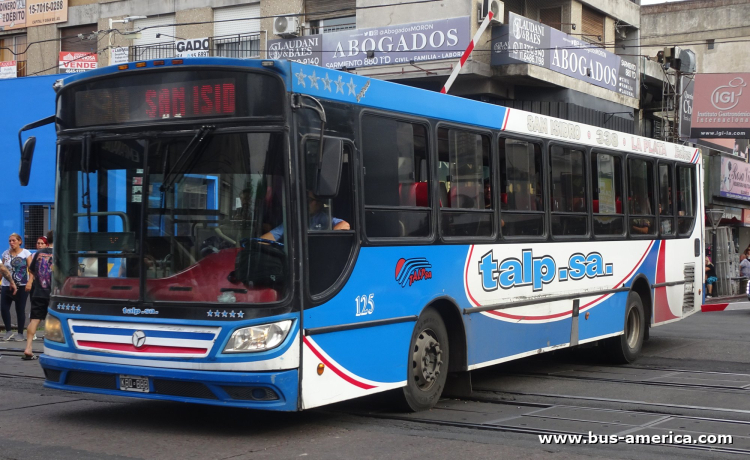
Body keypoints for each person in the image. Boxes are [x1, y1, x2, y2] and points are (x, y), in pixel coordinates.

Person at [261, 191, 349, 243]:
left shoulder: (323, 218)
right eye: (306, 199)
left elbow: (344, 225)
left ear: (319, 203)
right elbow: (271, 236)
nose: (306, 202)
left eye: (310, 200)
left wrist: (324, 241)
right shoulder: (295, 219)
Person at [24, 232, 53, 359]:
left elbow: (32, 270)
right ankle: (52, 349)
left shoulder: (38, 253)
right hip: (54, 293)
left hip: (39, 291)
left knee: (35, 320)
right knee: (54, 320)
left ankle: (28, 347)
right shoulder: (61, 253)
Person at [1, 233, 32, 341]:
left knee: (20, 309)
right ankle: (8, 331)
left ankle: (20, 333)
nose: (11, 243)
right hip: (6, 284)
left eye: (14, 240)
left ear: (20, 241)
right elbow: (2, 269)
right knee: (4, 308)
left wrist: (30, 282)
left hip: (22, 285)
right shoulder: (5, 253)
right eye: (10, 241)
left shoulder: (25, 253)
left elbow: (31, 268)